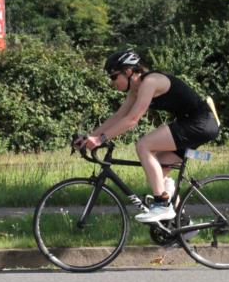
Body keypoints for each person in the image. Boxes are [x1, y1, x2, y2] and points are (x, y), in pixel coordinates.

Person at [78, 49, 219, 223]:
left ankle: (162, 204)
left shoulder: (150, 82)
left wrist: (101, 139)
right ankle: (181, 223)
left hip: (200, 122)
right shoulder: (135, 90)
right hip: (192, 123)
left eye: (114, 77)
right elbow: (119, 116)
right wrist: (89, 137)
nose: (111, 82)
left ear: (128, 71)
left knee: (143, 145)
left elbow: (132, 119)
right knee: (158, 169)